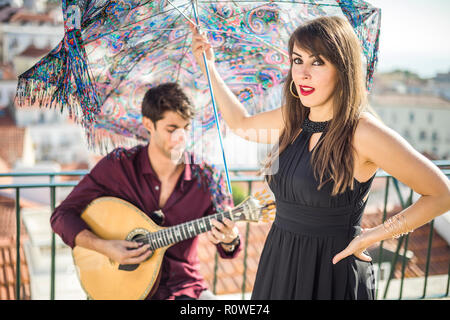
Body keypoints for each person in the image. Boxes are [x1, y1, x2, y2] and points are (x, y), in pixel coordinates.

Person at [190, 16, 450, 299]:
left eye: (317, 62)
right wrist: (209, 65)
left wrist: (375, 235)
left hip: (331, 273)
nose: (302, 74)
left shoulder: (363, 132)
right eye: (297, 60)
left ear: (342, 69)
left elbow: (441, 194)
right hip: (279, 262)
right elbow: (240, 124)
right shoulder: (294, 119)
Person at [50, 82, 242, 300]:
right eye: (171, 129)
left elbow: (230, 248)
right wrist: (105, 247)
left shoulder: (208, 177)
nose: (181, 138)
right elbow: (61, 216)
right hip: (121, 287)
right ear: (148, 124)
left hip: (183, 288)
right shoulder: (119, 165)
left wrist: (230, 238)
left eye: (186, 128)